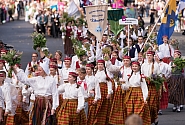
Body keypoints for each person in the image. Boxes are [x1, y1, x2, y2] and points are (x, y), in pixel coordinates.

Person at [141, 51, 160, 125]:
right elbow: (141, 74)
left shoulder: (156, 65)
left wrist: (154, 79)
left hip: (152, 86)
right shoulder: (143, 65)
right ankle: (146, 119)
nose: (149, 57)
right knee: (145, 104)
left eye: (150, 55)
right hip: (145, 85)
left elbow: (159, 76)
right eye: (148, 55)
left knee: (153, 104)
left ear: (153, 56)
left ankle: (155, 117)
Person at [94, 59, 113, 124]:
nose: (100, 66)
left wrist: (109, 92)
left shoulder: (106, 73)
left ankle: (103, 121)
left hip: (104, 90)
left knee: (103, 106)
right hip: (96, 89)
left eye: (101, 64)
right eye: (99, 64)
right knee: (96, 105)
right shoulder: (95, 72)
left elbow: (109, 83)